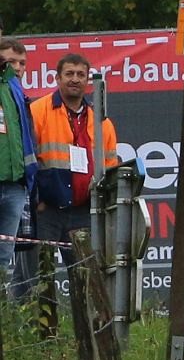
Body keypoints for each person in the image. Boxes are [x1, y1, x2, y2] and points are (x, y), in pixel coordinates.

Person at [30, 52, 119, 265]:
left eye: (81, 74)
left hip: (83, 212)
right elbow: (28, 158)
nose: (75, 79)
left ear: (88, 80)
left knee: (88, 275)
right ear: (57, 78)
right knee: (39, 276)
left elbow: (110, 167)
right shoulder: (37, 111)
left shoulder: (102, 121)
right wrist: (37, 200)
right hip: (46, 210)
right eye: (69, 73)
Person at [0, 37, 38, 295]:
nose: (17, 67)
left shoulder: (15, 90)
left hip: (14, 184)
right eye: (10, 60)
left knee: (4, 258)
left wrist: (26, 180)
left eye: (21, 63)